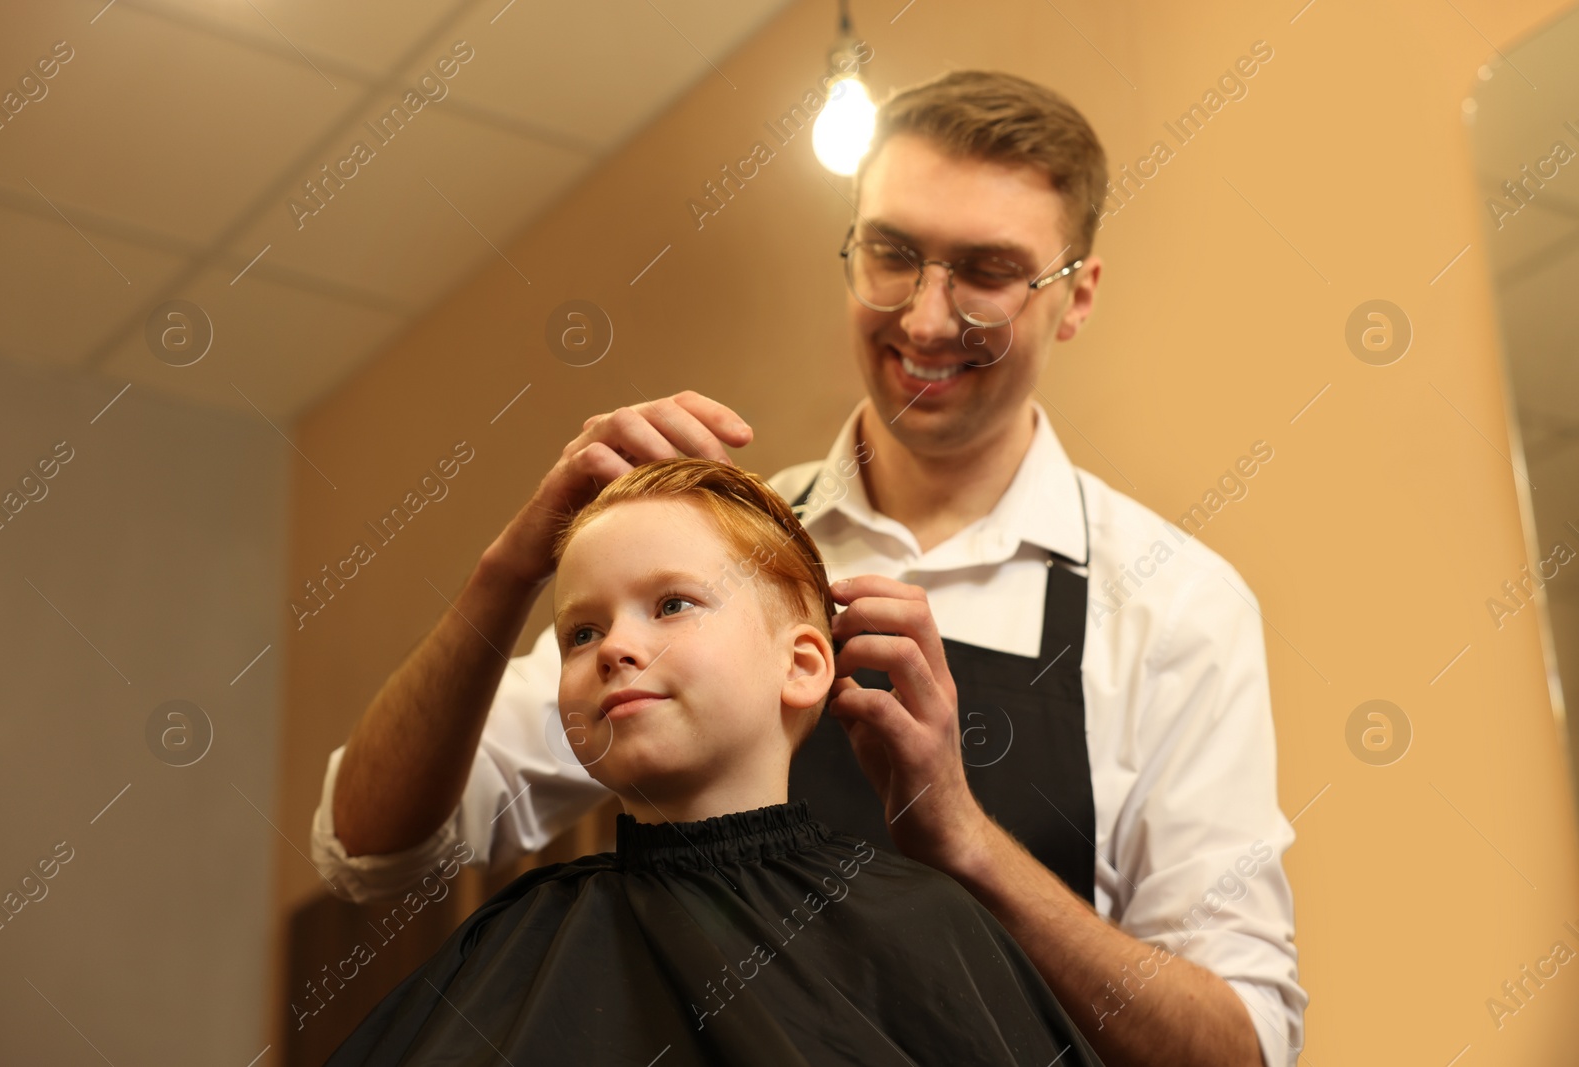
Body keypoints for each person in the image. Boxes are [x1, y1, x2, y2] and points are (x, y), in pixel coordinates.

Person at [313, 70, 1306, 1067]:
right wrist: (511, 565)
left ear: (1075, 295)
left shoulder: (1174, 604)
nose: (923, 318)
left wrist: (964, 841)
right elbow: (369, 852)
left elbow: (1238, 1050)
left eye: (988, 270)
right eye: (892, 253)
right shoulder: (712, 549)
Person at [324, 458, 1107, 1066]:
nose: (616, 648)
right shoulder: (516, 946)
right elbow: (361, 846)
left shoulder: (929, 927)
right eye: (581, 633)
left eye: (671, 604)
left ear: (804, 665)